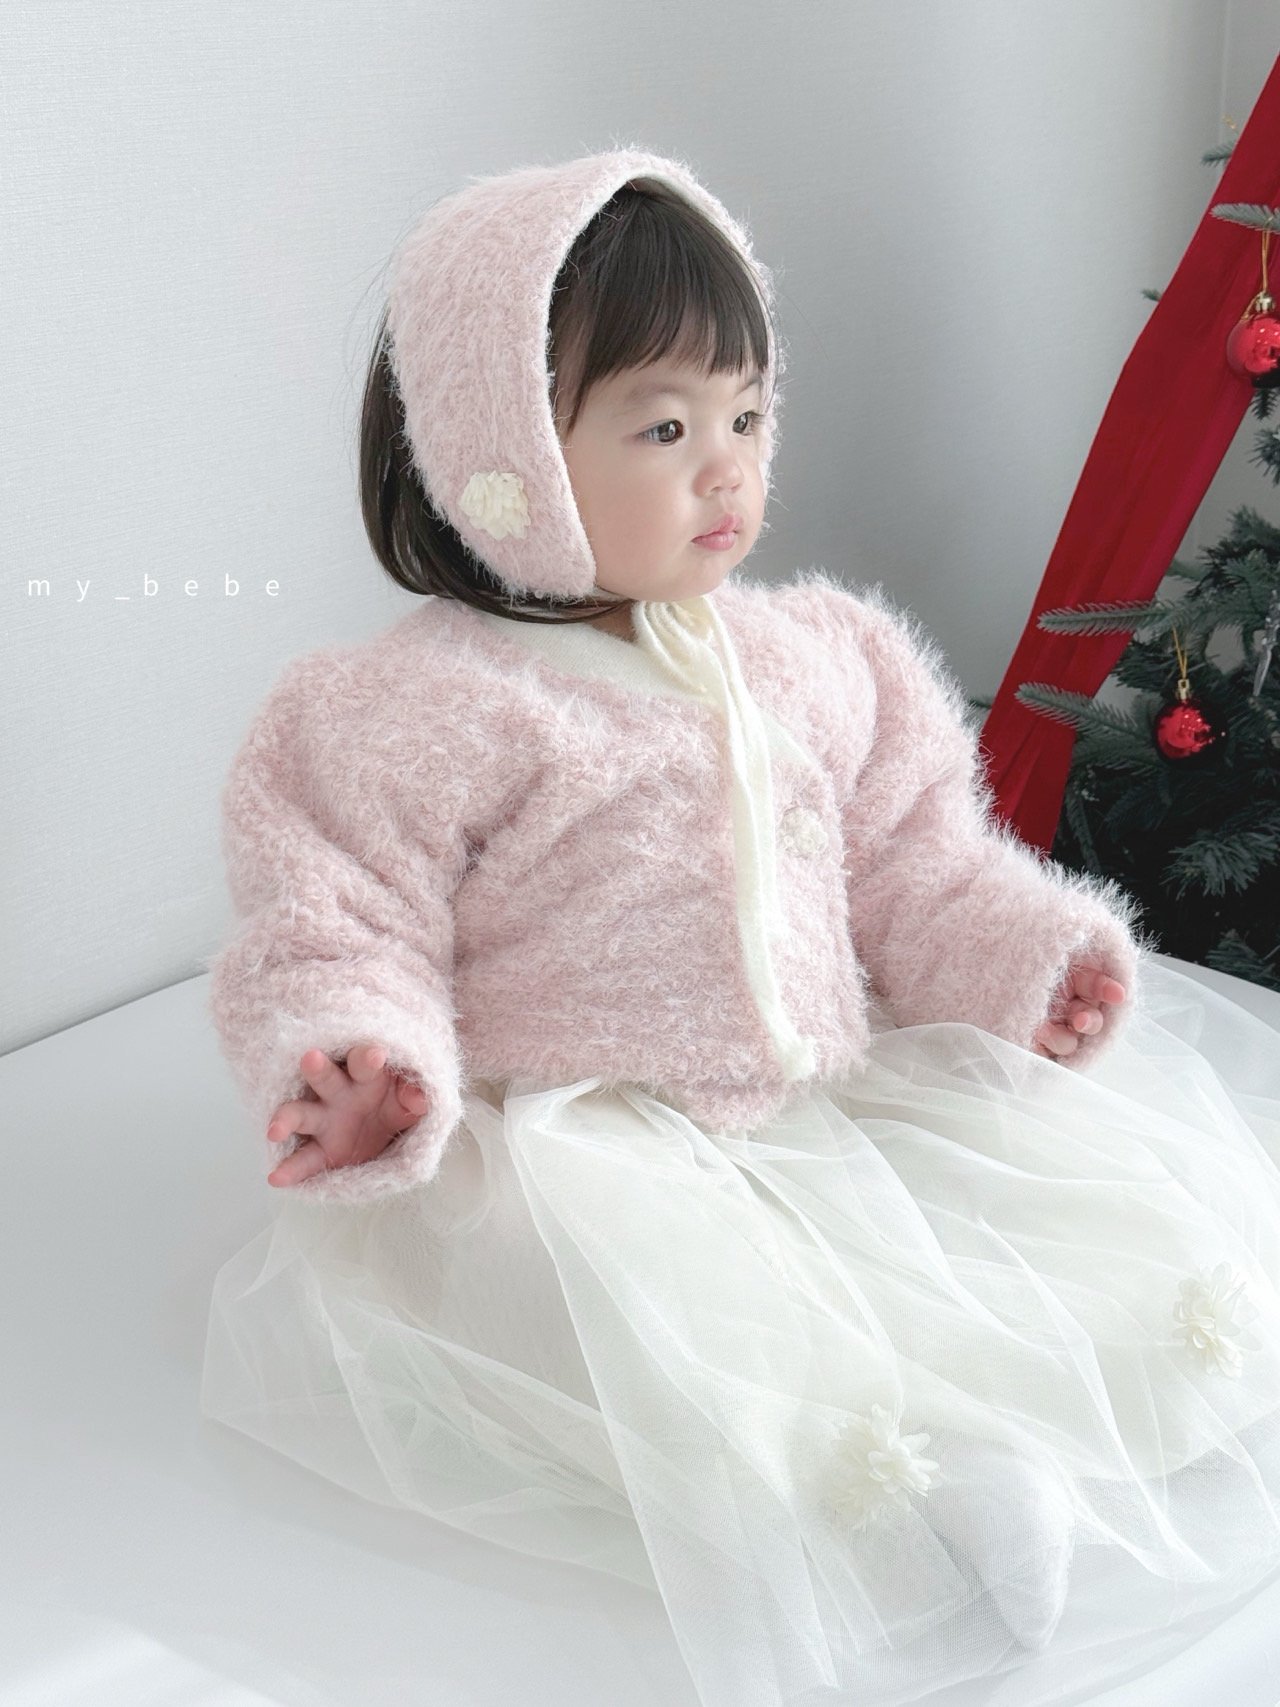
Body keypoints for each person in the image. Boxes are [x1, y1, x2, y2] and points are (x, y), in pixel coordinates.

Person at [200, 149, 1280, 1706]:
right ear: (505, 452)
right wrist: (365, 1065)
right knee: (664, 1328)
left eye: (747, 417)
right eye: (664, 428)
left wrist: (1018, 961)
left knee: (1031, 1239)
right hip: (580, 1143)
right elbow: (335, 922)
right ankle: (907, 1503)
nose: (727, 472)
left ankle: (1040, 1411)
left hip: (827, 1098)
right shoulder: (415, 707)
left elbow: (914, 865)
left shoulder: (821, 653)